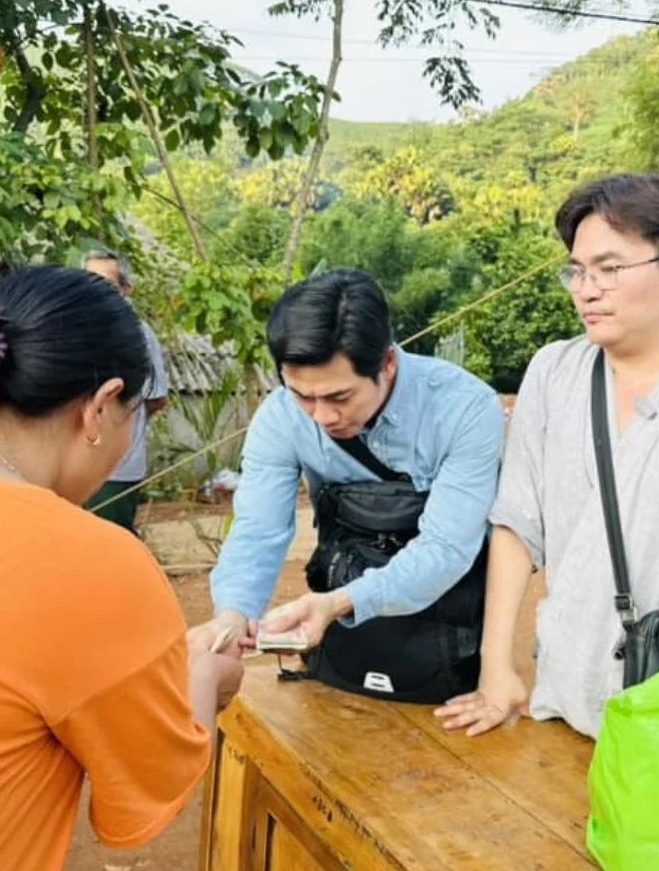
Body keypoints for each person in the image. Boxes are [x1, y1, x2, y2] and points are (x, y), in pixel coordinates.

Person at [0, 266, 245, 871]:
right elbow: (144, 795)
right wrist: (204, 674)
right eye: (138, 415)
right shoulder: (90, 559)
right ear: (101, 406)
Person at [436, 172, 659, 738]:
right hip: (562, 693)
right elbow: (516, 523)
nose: (586, 289)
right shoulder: (553, 372)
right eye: (577, 271)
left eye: (609, 269)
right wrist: (495, 668)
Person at [191, 268, 505, 658]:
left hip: (447, 618)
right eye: (303, 396)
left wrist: (340, 602)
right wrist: (232, 615)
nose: (321, 417)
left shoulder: (465, 409)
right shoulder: (280, 417)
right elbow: (257, 530)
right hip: (340, 608)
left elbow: (446, 547)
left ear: (387, 363)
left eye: (339, 398)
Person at [81, 247, 169, 532]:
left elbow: (156, 398)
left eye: (105, 283)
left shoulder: (139, 335)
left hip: (116, 469)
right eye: (88, 280)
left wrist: (118, 425)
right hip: (70, 466)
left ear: (126, 289)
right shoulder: (67, 328)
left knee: (108, 548)